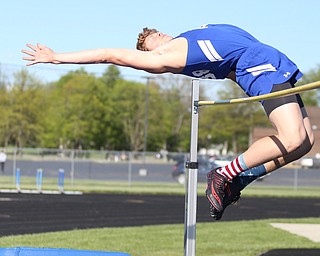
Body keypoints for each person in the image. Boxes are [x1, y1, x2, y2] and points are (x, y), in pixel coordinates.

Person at [22, 24, 314, 220]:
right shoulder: (163, 57)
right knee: (290, 137)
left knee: (305, 143)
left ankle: (240, 177)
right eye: (152, 44)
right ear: (149, 54)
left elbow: (229, 64)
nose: (159, 39)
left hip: (263, 60)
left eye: (158, 35)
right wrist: (57, 58)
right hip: (258, 63)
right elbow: (107, 55)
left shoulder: (192, 40)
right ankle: (223, 173)